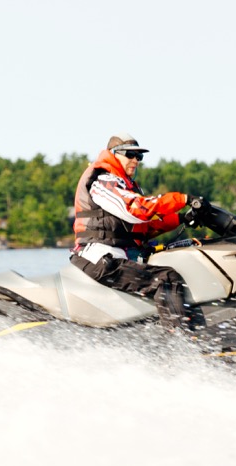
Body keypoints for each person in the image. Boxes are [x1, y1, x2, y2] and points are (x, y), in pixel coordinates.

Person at [71, 132, 197, 331]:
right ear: (113, 154)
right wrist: (182, 199)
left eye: (139, 157)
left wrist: (184, 218)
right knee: (166, 278)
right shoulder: (103, 181)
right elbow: (134, 210)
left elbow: (145, 228)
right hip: (100, 259)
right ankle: (180, 347)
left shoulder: (124, 186)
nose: (135, 161)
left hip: (115, 257)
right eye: (130, 154)